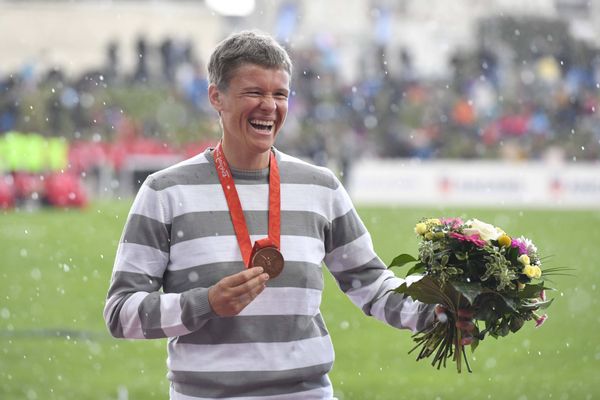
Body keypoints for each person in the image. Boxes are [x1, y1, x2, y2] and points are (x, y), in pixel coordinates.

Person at [103, 30, 472, 400]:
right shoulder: (165, 191)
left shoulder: (320, 187)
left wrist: (436, 310)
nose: (270, 106)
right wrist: (205, 303)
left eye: (280, 94)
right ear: (216, 96)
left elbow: (372, 285)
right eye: (254, 92)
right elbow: (120, 313)